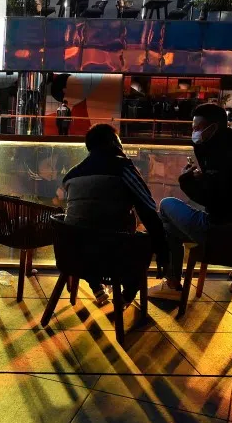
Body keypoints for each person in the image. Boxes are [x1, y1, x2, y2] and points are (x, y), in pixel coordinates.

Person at [151, 103, 232, 300]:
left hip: (221, 234)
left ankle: (172, 284)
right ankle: (171, 283)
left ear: (212, 128)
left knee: (166, 205)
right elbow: (224, 192)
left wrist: (185, 180)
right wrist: (203, 177)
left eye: (197, 128)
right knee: (168, 225)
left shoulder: (220, 157)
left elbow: (211, 198)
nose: (194, 133)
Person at [62, 124, 167, 306]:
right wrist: (162, 248)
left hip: (73, 254)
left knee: (89, 226)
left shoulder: (71, 175)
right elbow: (147, 208)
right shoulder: (122, 167)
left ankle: (96, 284)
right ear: (113, 143)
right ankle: (126, 295)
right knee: (143, 239)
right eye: (119, 141)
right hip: (113, 254)